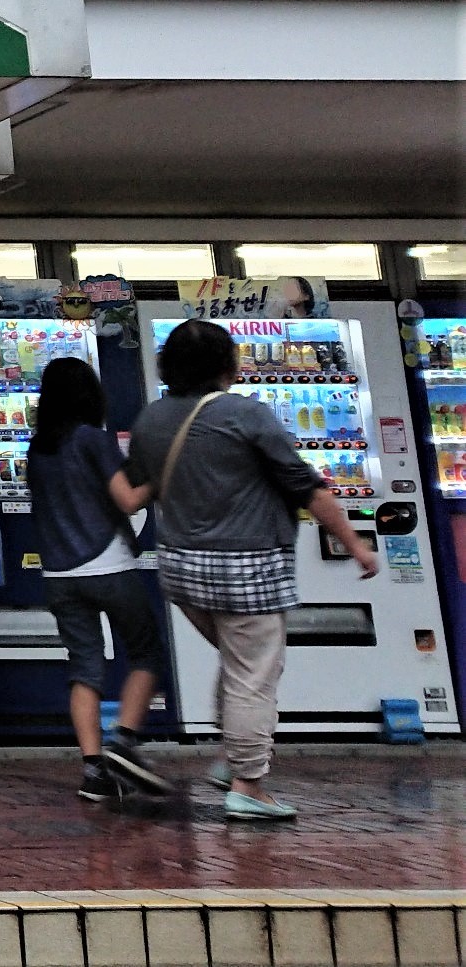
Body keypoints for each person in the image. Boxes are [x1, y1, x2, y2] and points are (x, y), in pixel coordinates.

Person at [109, 318, 378, 821]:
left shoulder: (150, 419)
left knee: (239, 664)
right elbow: (307, 487)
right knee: (254, 674)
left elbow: (133, 491)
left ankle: (232, 759)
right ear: (227, 365)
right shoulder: (245, 413)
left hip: (182, 568)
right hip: (248, 567)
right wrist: (356, 545)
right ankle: (248, 786)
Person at [25, 356, 167, 801]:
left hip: (59, 574)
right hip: (108, 565)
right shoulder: (92, 438)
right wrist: (162, 476)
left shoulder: (37, 448)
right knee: (146, 652)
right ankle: (124, 742)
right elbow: (128, 500)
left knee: (84, 667)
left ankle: (93, 773)